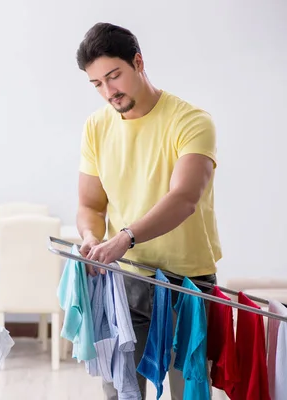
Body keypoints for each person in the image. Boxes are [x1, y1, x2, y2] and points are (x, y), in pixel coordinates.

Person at [74, 22, 221, 399]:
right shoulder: (96, 127)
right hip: (124, 281)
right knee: (121, 392)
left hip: (185, 285)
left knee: (187, 391)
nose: (109, 92)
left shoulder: (190, 121)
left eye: (114, 76)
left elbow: (184, 198)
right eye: (97, 84)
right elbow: (90, 205)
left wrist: (125, 237)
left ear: (138, 62)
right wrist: (92, 238)